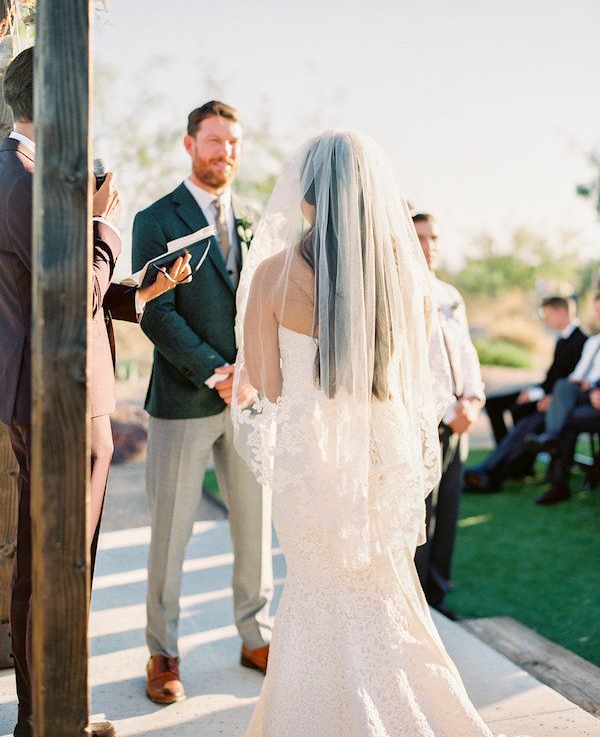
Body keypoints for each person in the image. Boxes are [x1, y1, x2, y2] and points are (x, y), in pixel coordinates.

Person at [231, 131, 493, 736]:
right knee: (384, 597)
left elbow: (267, 385)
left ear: (307, 196)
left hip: (313, 471)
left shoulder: (272, 274)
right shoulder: (408, 279)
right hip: (380, 468)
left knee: (315, 592)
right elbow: (416, 382)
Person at [0, 47, 191, 737]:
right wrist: (102, 220)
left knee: (53, 561)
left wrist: (145, 289)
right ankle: (49, 721)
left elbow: (59, 285)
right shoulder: (23, 179)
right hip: (58, 401)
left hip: (56, 394)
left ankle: (49, 714)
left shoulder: (25, 173)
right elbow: (67, 290)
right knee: (58, 563)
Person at [132, 101, 272, 705]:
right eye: (215, 141)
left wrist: (253, 373)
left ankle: (255, 636)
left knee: (254, 526)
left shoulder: (255, 219)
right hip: (185, 400)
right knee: (171, 535)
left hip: (249, 403)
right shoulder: (155, 217)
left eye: (234, 142)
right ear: (189, 145)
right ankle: (162, 653)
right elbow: (153, 310)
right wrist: (215, 371)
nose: (226, 152)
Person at [411, 213, 485, 620]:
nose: (428, 245)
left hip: (461, 418)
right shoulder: (403, 290)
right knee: (424, 513)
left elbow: (467, 352)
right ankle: (419, 603)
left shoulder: (450, 293)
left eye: (434, 237)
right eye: (420, 237)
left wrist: (472, 399)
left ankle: (438, 596)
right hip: (425, 420)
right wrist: (447, 409)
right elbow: (412, 364)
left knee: (451, 508)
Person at [463, 296, 587, 492]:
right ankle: (504, 460)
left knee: (522, 416)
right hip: (547, 392)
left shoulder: (582, 341)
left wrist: (543, 396)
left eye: (548, 315)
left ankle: (502, 466)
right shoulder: (562, 339)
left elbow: (572, 382)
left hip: (557, 400)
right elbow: (552, 378)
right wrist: (534, 391)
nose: (546, 320)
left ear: (562, 312)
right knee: (497, 404)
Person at [525, 291, 600, 503]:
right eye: (596, 310)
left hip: (594, 400)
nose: (598, 315)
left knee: (566, 417)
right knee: (563, 386)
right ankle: (553, 444)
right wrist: (586, 385)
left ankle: (551, 442)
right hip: (585, 396)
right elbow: (577, 376)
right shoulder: (593, 342)